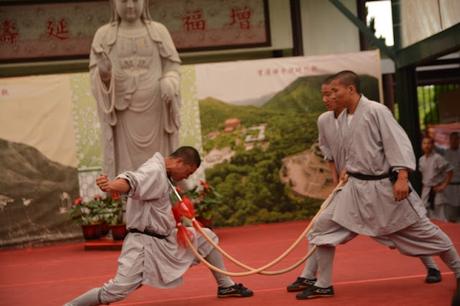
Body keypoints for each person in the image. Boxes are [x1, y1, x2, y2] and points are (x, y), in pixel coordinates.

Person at [294, 71, 460, 302]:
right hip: (354, 188)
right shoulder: (341, 119)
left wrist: (402, 177)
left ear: (350, 89)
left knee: (427, 234)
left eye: (334, 91)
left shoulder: (376, 111)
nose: (330, 96)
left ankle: (458, 271)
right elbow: (350, 151)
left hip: (384, 188)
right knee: (322, 227)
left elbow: (397, 142)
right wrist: (344, 171)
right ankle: (323, 284)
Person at [64, 147, 253, 306]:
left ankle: (225, 285)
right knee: (116, 291)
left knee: (206, 236)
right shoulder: (154, 171)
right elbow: (132, 181)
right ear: (179, 162)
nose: (185, 177)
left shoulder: (164, 174)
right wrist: (112, 185)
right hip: (143, 245)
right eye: (188, 172)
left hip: (165, 240)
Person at [90, 0, 181, 179]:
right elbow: (96, 78)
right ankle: (126, 195)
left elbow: (173, 67)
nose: (130, 6)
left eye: (135, 0)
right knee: (127, 168)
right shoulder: (103, 35)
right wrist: (104, 75)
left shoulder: (159, 31)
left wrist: (170, 82)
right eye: (124, 1)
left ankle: (161, 189)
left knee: (158, 164)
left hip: (156, 109)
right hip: (122, 112)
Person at [419, 136, 453, 221]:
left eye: (429, 143)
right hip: (426, 190)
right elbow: (425, 176)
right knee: (426, 216)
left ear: (433, 145)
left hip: (436, 190)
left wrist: (444, 185)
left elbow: (450, 170)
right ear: (421, 145)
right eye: (424, 143)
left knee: (440, 216)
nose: (426, 145)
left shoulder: (437, 158)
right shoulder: (421, 159)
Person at [443, 132, 460, 222]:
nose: (454, 141)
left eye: (456, 139)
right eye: (452, 139)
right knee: (451, 217)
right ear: (449, 140)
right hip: (449, 187)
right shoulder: (445, 154)